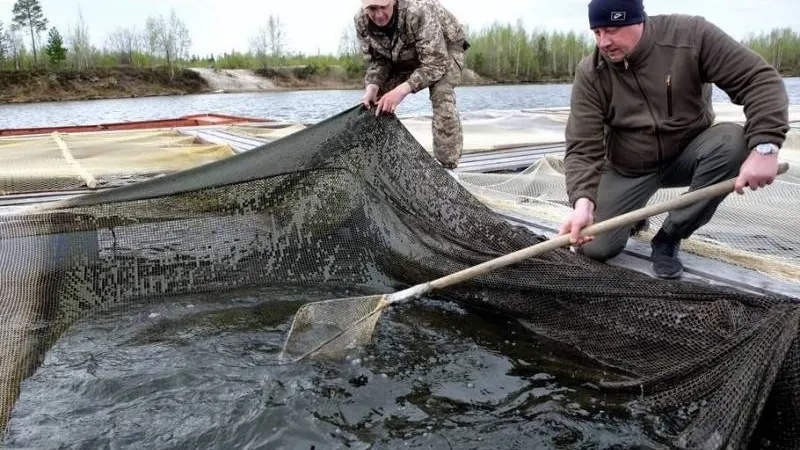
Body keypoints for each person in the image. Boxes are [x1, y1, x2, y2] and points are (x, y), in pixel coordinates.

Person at [559, 0, 789, 279]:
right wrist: (582, 202)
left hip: (688, 154)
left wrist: (766, 147)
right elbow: (583, 147)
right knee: (596, 247)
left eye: (612, 30)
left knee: (734, 143)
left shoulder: (690, 36)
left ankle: (670, 236)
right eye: (597, 33)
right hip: (629, 166)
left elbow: (759, 80)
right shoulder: (591, 73)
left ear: (639, 20)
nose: (604, 42)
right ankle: (633, 214)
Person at [355, 0, 469, 169]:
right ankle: (381, 162)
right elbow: (378, 61)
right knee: (375, 103)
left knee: (441, 94)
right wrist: (372, 86)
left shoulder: (418, 10)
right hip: (402, 57)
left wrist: (402, 90)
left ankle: (449, 166)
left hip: (445, 50)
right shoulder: (361, 21)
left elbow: (436, 64)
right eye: (372, 9)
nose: (379, 15)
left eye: (383, 7)